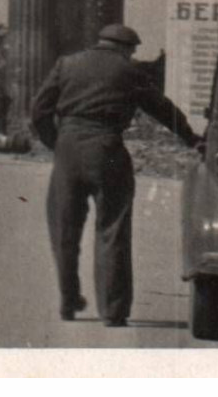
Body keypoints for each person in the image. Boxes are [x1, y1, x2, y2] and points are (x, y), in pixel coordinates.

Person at [31, 23, 203, 328]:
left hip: (68, 149)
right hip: (107, 150)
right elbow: (162, 109)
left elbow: (38, 110)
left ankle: (69, 302)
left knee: (64, 229)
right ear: (126, 48)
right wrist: (192, 138)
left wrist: (56, 143)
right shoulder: (129, 71)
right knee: (112, 230)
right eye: (132, 50)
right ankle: (113, 311)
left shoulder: (67, 64)